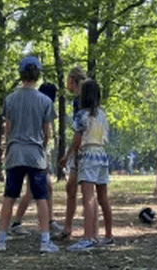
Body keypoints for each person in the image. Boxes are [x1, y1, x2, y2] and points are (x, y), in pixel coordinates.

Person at [0, 56, 59, 253]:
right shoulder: (45, 101)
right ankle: (45, 241)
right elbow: (46, 131)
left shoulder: (10, 99)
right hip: (35, 154)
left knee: (9, 196)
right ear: (37, 75)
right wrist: (42, 146)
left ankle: (1, 240)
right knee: (41, 197)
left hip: (15, 153)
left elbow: (8, 127)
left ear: (20, 74)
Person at [61, 79, 111, 251]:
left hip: (87, 155)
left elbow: (77, 140)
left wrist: (69, 156)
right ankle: (106, 235)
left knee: (88, 197)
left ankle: (88, 237)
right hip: (102, 156)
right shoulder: (102, 115)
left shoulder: (81, 115)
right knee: (102, 197)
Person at [11, 83, 63, 238]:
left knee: (47, 187)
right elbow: (44, 133)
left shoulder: (38, 105)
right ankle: (18, 222)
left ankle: (50, 220)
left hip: (36, 152)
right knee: (32, 190)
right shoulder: (41, 106)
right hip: (34, 153)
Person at [53, 66, 89, 241]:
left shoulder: (79, 102)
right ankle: (69, 228)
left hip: (83, 152)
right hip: (84, 150)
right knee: (73, 188)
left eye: (68, 80)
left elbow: (79, 134)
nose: (67, 85)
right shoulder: (84, 100)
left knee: (83, 191)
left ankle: (86, 232)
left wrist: (68, 154)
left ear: (73, 80)